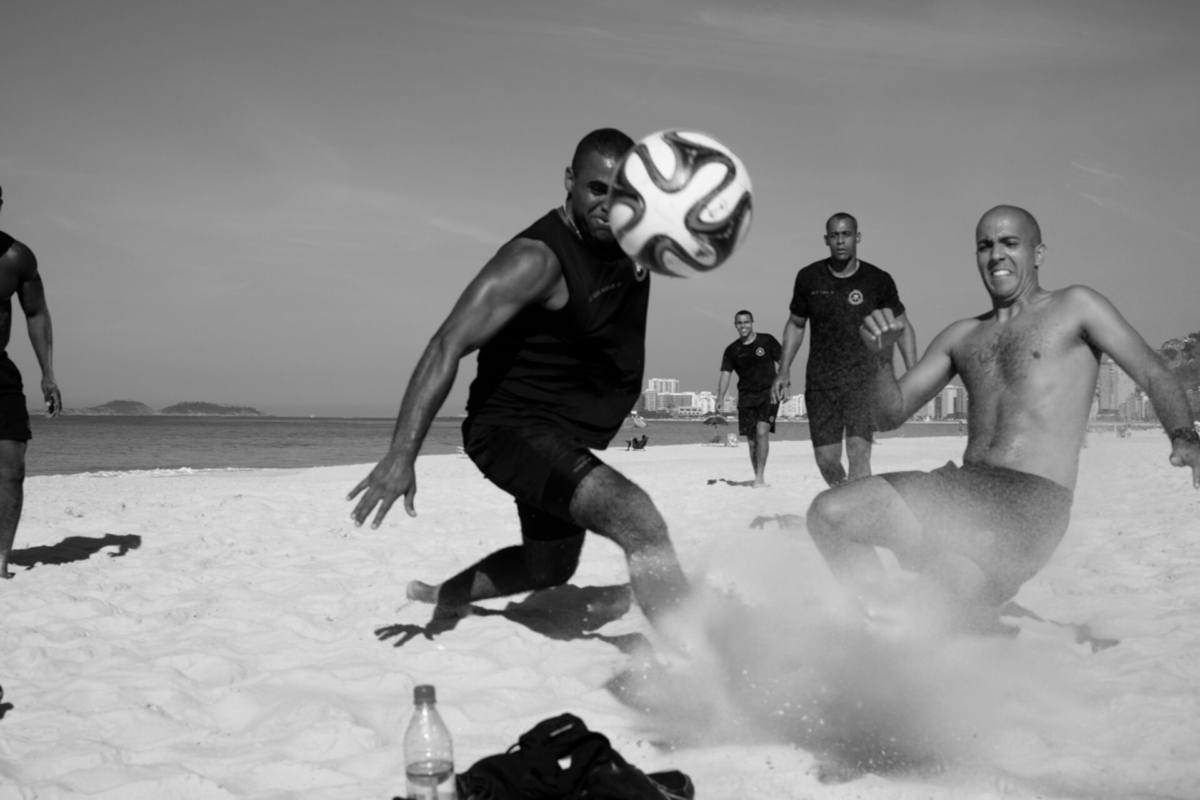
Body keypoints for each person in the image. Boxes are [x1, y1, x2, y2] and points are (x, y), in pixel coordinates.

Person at [348, 129, 688, 626]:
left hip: (560, 432)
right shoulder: (535, 261)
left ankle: (445, 593)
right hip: (510, 430)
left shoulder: (632, 237)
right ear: (570, 182)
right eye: (598, 189)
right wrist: (402, 455)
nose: (610, 205)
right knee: (639, 519)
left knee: (548, 566)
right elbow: (448, 344)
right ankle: (698, 654)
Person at [805, 205, 1200, 627]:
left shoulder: (1076, 306)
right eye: (985, 245)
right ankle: (871, 622)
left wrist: (1185, 438)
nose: (996, 255)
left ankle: (910, 634)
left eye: (1010, 243)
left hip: (1027, 504)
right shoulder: (962, 335)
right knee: (829, 515)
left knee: (927, 610)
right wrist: (882, 359)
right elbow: (890, 415)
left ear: (1038, 253)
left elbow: (1152, 371)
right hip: (958, 488)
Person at [773, 213, 917, 486]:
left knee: (859, 454)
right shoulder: (808, 278)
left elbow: (903, 326)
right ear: (826, 240)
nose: (841, 241)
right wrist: (783, 369)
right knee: (826, 460)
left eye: (846, 234)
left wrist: (914, 372)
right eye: (835, 235)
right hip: (821, 382)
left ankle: (860, 517)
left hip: (863, 381)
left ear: (857, 237)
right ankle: (847, 499)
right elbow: (796, 325)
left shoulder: (878, 280)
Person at [0, 185, 62, 579]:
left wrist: (48, 374)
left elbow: (36, 313)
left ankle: (1, 557)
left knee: (12, 466)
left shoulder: (16, 257)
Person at [717, 310, 782, 487]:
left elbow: (783, 362)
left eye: (746, 322)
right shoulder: (732, 350)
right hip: (746, 398)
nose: (743, 326)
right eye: (739, 323)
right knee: (752, 443)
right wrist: (720, 397)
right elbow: (725, 375)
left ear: (752, 322)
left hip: (769, 394)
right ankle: (758, 476)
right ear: (735, 325)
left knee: (762, 432)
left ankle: (759, 478)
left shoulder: (767, 341)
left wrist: (785, 383)